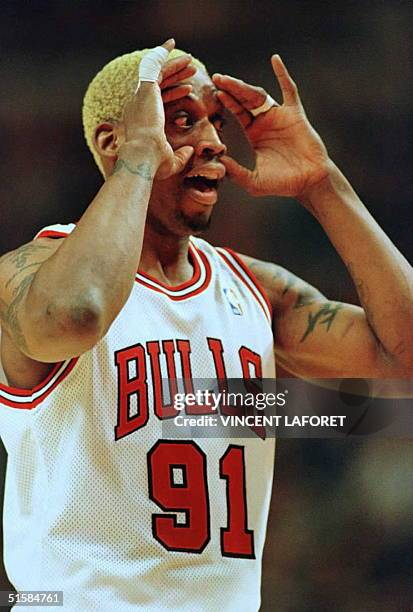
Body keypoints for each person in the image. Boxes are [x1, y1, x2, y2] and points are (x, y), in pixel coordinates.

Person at [0, 38, 411, 611]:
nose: (216, 142)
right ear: (114, 140)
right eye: (183, 121)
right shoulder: (32, 272)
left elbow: (406, 355)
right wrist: (141, 157)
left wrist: (323, 185)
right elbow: (74, 317)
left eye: (217, 123)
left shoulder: (254, 288)